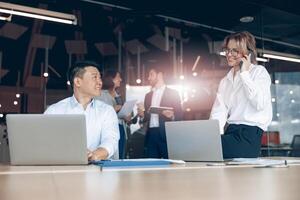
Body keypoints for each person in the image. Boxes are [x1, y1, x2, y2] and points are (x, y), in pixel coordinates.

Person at [210, 31, 272, 159]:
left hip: (249, 136)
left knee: (205, 148)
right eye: (227, 50)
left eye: (235, 51)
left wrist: (245, 74)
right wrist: (211, 137)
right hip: (230, 132)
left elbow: (259, 104)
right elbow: (218, 113)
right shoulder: (225, 80)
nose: (229, 54)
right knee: (203, 146)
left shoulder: (259, 72)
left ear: (247, 54)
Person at [44, 60, 119, 161]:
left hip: (97, 170)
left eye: (100, 77)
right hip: (62, 168)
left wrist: (94, 155)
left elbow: (111, 140)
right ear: (78, 82)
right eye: (94, 77)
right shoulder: (54, 111)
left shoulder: (107, 111)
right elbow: (45, 142)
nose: (100, 82)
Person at [138, 66, 183, 159]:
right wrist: (142, 115)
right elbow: (146, 117)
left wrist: (172, 116)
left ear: (159, 75)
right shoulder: (148, 96)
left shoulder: (173, 93)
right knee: (151, 168)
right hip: (151, 135)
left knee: (170, 165)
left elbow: (180, 114)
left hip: (166, 134)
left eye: (151, 74)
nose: (148, 78)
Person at [96, 69, 134, 159]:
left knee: (121, 154)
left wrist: (127, 115)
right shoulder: (101, 94)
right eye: (118, 77)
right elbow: (98, 112)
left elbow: (122, 112)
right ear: (111, 79)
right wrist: (114, 108)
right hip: (109, 129)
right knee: (111, 155)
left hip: (121, 128)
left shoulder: (118, 95)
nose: (120, 79)